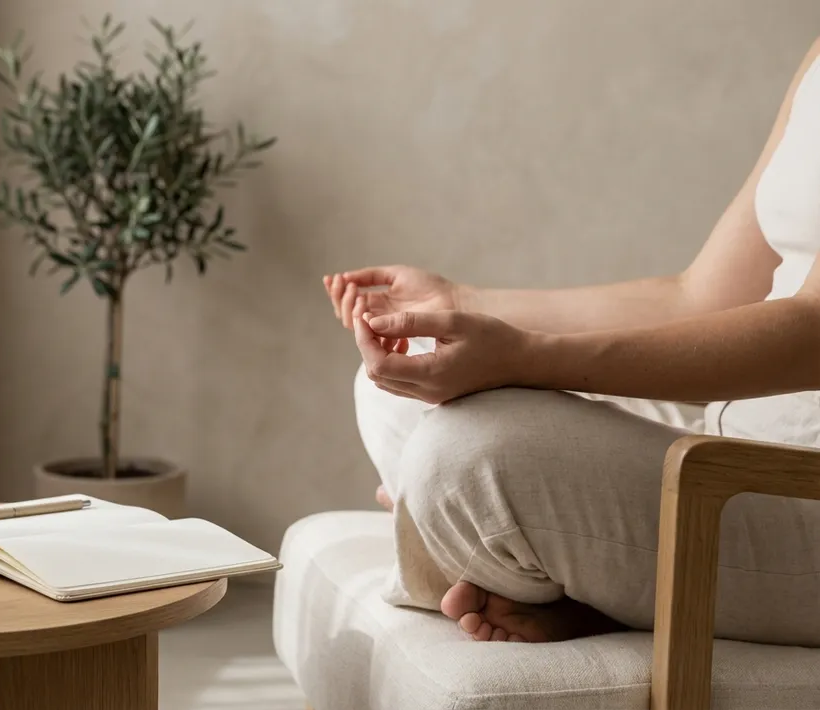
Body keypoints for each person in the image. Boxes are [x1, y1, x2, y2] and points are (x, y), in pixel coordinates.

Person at [322, 38, 820, 646]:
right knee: (400, 385)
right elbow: (699, 296)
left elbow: (811, 333)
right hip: (729, 444)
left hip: (800, 490)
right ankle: (547, 574)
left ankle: (490, 553)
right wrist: (460, 306)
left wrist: (524, 359)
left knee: (463, 456)